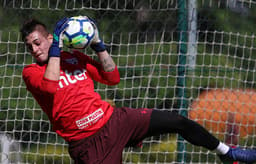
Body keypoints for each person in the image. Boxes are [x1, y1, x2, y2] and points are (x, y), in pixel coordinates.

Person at [20, 17, 256, 164]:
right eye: (30, 46)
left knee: (179, 122)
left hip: (114, 120)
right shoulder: (31, 72)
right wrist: (56, 50)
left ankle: (228, 153)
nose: (34, 48)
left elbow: (112, 77)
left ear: (50, 38)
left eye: (38, 42)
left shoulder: (75, 58)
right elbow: (51, 85)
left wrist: (99, 44)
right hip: (88, 143)